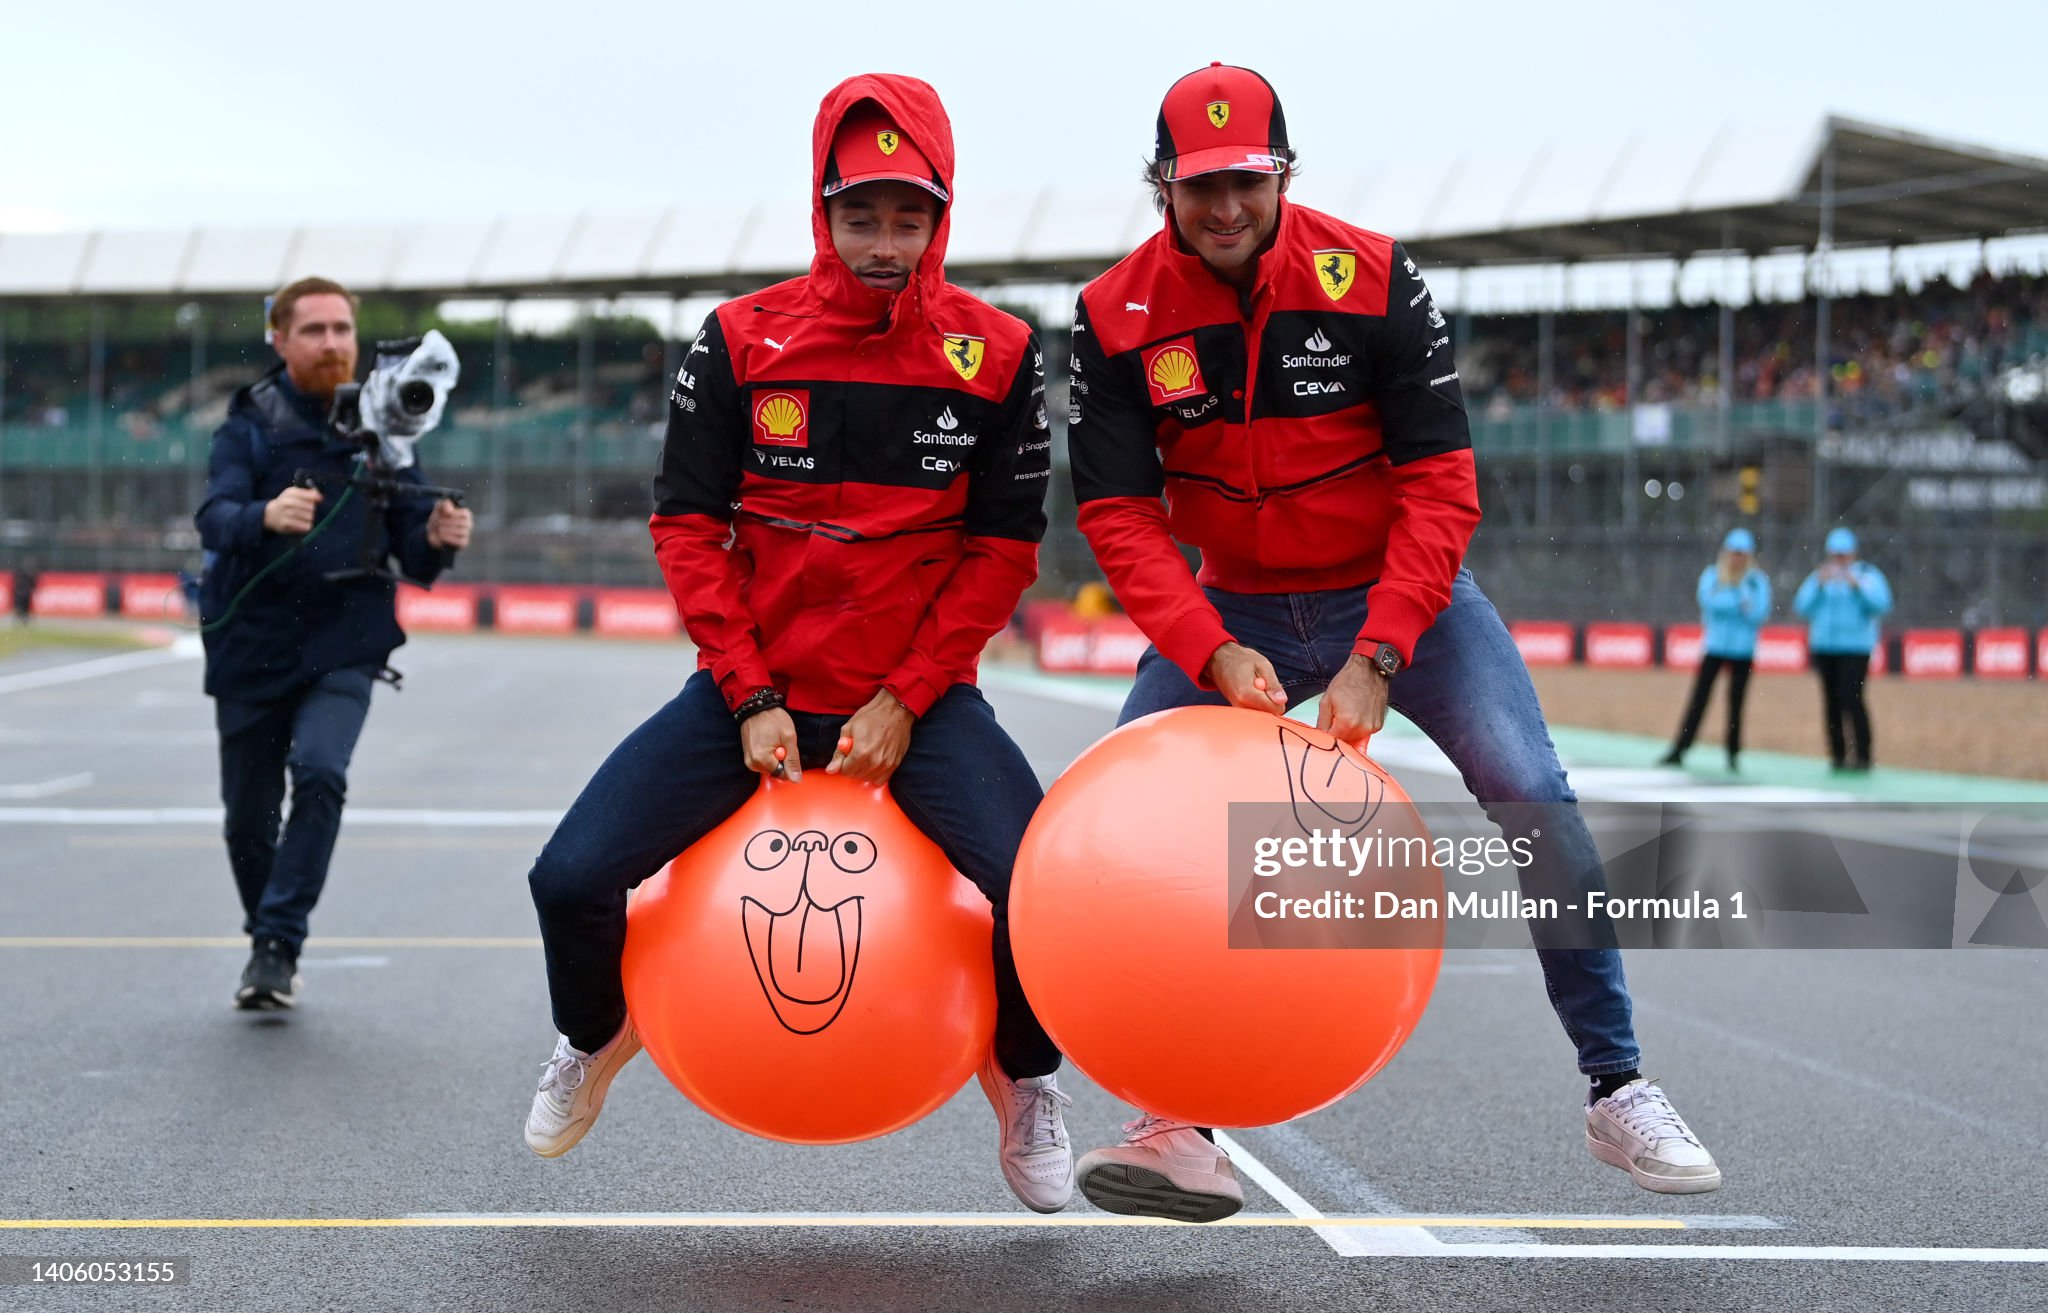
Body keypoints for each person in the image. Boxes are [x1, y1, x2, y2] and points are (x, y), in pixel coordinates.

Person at [1064, 63, 1721, 1221]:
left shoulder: (1368, 275)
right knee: (1130, 843)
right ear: (1160, 183)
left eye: (1247, 182)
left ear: (1282, 175)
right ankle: (1176, 1119)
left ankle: (1617, 1086)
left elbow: (1439, 483)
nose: (1224, 209)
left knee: (1529, 789)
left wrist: (1380, 650)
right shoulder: (1112, 311)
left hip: (1395, 591)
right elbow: (1117, 513)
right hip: (1233, 612)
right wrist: (1207, 646)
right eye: (1199, 185)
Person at [520, 75, 1075, 1214]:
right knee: (568, 876)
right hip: (749, 694)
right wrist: (747, 691)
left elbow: (1001, 553)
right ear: (820, 209)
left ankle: (1019, 1079)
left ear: (941, 216)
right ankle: (594, 1036)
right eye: (859, 216)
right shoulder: (736, 338)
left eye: (907, 218)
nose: (882, 244)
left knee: (1046, 896)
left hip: (913, 702)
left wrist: (908, 698)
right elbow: (686, 524)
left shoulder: (1000, 354)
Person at [195, 277, 473, 1010]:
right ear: (279, 339)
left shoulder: (387, 422)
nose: (332, 343)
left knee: (319, 770)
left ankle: (278, 945)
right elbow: (213, 515)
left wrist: (438, 538)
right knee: (247, 819)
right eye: (314, 330)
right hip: (249, 640)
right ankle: (268, 933)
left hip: (345, 636)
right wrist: (264, 512)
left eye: (343, 329)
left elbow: (413, 546)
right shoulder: (249, 422)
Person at [1660, 528, 1770, 771]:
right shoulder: (1713, 575)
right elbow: (1709, 603)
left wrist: (1732, 598)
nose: (1737, 558)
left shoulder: (1755, 581)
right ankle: (1680, 748)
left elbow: (1758, 613)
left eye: (1742, 553)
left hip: (1743, 651)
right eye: (1734, 552)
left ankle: (1733, 753)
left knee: (1736, 703)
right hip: (1715, 647)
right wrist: (1739, 602)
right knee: (1699, 699)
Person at [1793, 526, 1892, 771]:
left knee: (1853, 699)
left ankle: (1863, 755)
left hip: (1856, 649)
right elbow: (1801, 606)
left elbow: (1882, 605)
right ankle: (1837, 755)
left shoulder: (1867, 576)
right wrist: (1818, 585)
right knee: (1831, 702)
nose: (1839, 560)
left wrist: (1857, 587)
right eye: (1835, 555)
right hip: (1825, 648)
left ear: (1853, 554)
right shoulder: (1820, 577)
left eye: (1843, 555)